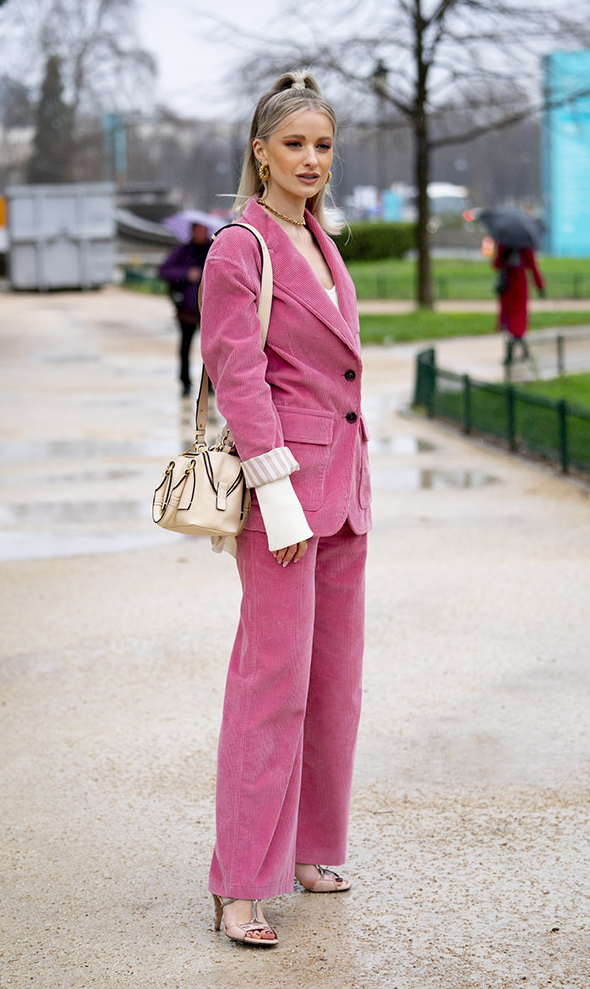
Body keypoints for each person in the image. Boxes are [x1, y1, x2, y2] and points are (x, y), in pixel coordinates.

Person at [200, 70, 372, 948]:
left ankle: (309, 849)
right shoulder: (242, 245)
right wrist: (276, 490)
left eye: (323, 145)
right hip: (284, 500)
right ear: (260, 151)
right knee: (270, 689)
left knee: (332, 685)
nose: (311, 159)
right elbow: (239, 377)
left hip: (343, 494)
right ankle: (240, 883)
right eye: (295, 144)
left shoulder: (320, 240)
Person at [159, 222, 212, 395]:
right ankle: (185, 383)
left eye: (203, 230)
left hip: (210, 309)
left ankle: (210, 385)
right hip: (187, 310)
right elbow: (164, 271)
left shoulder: (214, 249)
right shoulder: (183, 251)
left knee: (211, 350)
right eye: (198, 230)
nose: (201, 233)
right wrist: (186, 273)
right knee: (185, 347)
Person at [494, 243, 545, 365]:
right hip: (517, 286)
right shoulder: (524, 247)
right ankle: (520, 353)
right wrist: (540, 286)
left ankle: (513, 354)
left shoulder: (504, 245)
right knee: (516, 321)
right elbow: (532, 266)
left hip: (510, 287)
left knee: (514, 321)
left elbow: (496, 264)